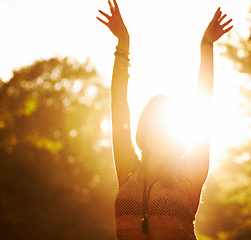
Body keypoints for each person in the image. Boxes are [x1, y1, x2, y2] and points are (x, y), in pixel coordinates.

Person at [97, 1, 232, 239]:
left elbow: (205, 105)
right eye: (154, 125)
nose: (160, 133)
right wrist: (123, 44)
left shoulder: (189, 173)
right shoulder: (128, 171)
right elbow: (118, 103)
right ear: (143, 130)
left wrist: (206, 46)